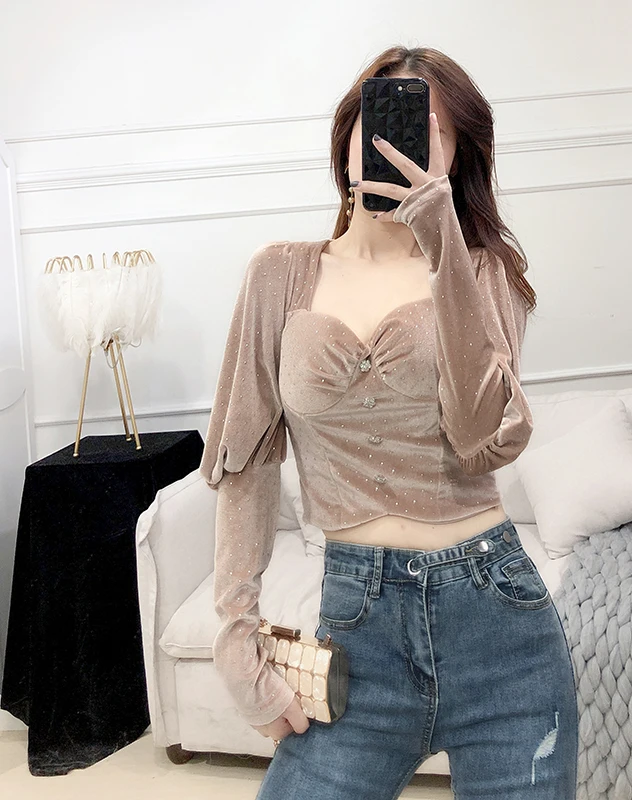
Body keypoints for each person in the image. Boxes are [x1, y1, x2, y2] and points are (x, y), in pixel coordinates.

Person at [200, 45, 578, 800]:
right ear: (347, 136)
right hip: (358, 638)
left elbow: (480, 438)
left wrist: (441, 238)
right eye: (377, 121)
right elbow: (247, 461)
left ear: (454, 158)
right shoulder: (279, 274)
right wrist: (236, 638)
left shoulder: (485, 273)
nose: (390, 144)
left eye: (423, 131)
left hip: (502, 631)